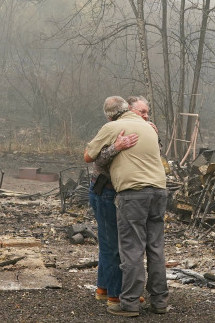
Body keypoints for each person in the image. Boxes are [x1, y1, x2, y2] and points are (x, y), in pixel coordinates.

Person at [85, 96, 168, 317]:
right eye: (142, 111)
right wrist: (116, 147)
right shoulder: (121, 128)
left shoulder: (140, 127)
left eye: (147, 112)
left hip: (133, 192)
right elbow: (95, 160)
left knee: (127, 248)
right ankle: (155, 300)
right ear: (128, 111)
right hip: (145, 190)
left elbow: (89, 156)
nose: (145, 116)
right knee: (146, 248)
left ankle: (127, 300)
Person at [84, 96, 138, 305]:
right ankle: (115, 295)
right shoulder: (111, 128)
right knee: (111, 244)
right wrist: (116, 146)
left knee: (108, 242)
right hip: (104, 189)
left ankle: (103, 287)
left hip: (115, 191)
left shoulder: (137, 127)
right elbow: (88, 156)